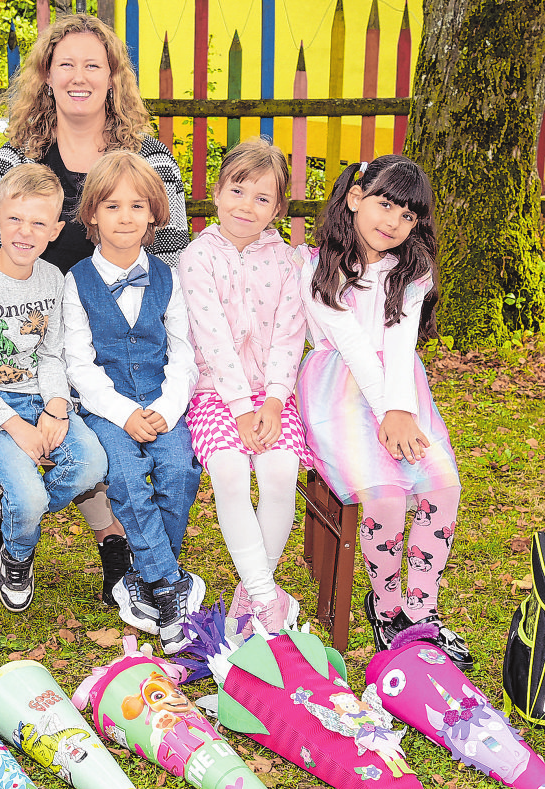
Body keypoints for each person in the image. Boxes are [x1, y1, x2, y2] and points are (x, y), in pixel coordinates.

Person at [0, 13, 192, 604]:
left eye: (93, 65)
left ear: (113, 77)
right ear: (46, 75)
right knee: (41, 402)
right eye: (65, 63)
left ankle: (115, 543)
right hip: (38, 331)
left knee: (101, 414)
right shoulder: (14, 159)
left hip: (117, 334)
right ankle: (14, 510)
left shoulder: (147, 158)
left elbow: (173, 254)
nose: (78, 76)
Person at [297, 154, 471, 670]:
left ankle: (423, 611)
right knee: (386, 496)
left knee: (441, 483)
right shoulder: (316, 265)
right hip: (337, 393)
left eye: (408, 215)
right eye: (385, 204)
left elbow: (399, 345)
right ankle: (387, 605)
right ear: (355, 198)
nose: (393, 222)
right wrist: (386, 413)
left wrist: (401, 410)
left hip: (400, 388)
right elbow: (351, 344)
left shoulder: (410, 269)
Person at [63, 151, 203, 654]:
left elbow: (184, 351)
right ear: (92, 215)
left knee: (180, 471)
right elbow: (78, 365)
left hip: (164, 399)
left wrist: (167, 408)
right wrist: (123, 413)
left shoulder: (169, 275)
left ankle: (145, 578)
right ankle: (167, 584)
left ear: (153, 214)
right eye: (112, 206)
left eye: (137, 206)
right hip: (106, 406)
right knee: (123, 476)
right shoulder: (74, 282)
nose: (125, 217)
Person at [0, 163, 108, 613]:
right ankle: (17, 557)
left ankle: (2, 514)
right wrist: (15, 426)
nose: (25, 232)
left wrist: (57, 407)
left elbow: (52, 354)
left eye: (39, 223)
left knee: (92, 464)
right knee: (31, 492)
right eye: (15, 219)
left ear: (56, 230)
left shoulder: (52, 280)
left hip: (44, 396)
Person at [178, 137, 309, 637]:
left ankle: (250, 593)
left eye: (262, 198)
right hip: (216, 394)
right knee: (231, 475)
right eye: (238, 190)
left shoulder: (286, 263)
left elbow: (289, 334)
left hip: (273, 395)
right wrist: (239, 407)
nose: (246, 206)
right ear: (216, 191)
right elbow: (211, 337)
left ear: (278, 208)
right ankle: (265, 596)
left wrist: (274, 401)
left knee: (279, 476)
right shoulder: (197, 257)